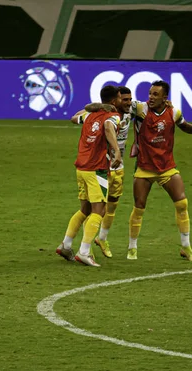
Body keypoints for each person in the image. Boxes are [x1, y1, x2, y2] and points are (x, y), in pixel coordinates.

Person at [127, 80, 192, 261]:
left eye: (155, 94)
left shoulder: (173, 112)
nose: (151, 97)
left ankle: (186, 246)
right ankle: (132, 247)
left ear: (165, 98)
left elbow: (183, 125)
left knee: (182, 204)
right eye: (150, 93)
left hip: (167, 167)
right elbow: (117, 105)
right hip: (145, 168)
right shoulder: (140, 109)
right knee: (139, 208)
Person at [56, 85, 122, 267]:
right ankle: (84, 251)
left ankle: (66, 245)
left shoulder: (89, 115)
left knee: (85, 209)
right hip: (96, 168)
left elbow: (74, 117)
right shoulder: (113, 116)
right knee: (99, 210)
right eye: (118, 98)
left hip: (81, 168)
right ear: (114, 100)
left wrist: (94, 107)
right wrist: (117, 151)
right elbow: (108, 128)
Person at [84, 86, 134, 258]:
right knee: (96, 208)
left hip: (118, 167)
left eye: (129, 100)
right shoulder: (106, 114)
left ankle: (102, 238)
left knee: (112, 204)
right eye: (124, 99)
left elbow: (151, 106)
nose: (128, 103)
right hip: (101, 166)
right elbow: (82, 112)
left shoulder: (131, 110)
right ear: (116, 100)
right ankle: (86, 246)